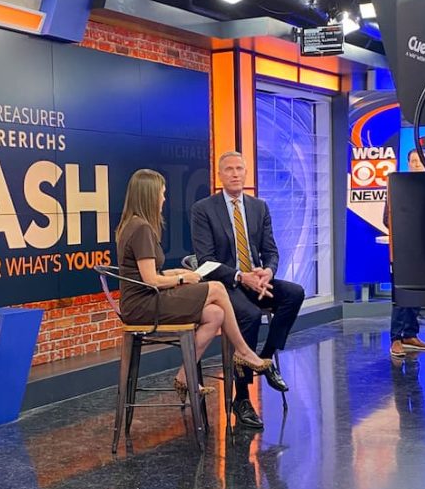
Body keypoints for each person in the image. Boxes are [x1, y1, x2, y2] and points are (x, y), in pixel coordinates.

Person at [116, 169, 271, 402]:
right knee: (217, 288)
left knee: (215, 314)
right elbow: (150, 281)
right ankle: (243, 351)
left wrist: (174, 271)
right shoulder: (142, 229)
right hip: (143, 304)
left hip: (144, 298)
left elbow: (146, 273)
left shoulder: (133, 225)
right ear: (149, 195)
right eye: (161, 193)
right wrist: (182, 279)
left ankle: (183, 377)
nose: (164, 199)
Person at [190, 151, 305, 431]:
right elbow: (205, 262)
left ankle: (264, 359)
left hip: (257, 279)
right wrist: (241, 277)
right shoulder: (204, 209)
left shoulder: (258, 207)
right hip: (224, 284)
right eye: (229, 169)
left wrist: (268, 272)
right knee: (250, 316)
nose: (235, 174)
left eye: (240, 168)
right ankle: (241, 398)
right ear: (219, 175)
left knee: (295, 293)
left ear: (246, 172)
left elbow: (271, 251)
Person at [382, 193, 425, 361]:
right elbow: (387, 220)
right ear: (409, 164)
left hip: (422, 250)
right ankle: (395, 339)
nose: (417, 164)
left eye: (419, 163)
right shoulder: (397, 188)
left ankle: (410, 334)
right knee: (400, 296)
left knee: (416, 293)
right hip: (401, 251)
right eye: (415, 163)